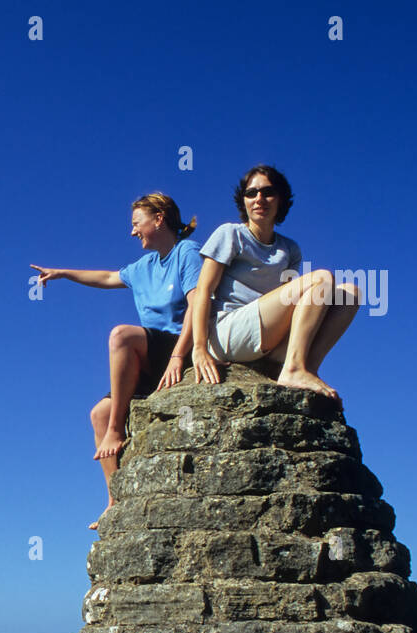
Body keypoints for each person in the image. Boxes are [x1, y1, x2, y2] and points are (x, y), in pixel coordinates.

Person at [31, 193, 201, 527]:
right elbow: (108, 278)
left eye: (136, 223)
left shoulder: (187, 253)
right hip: (151, 354)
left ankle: (115, 431)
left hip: (179, 345)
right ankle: (116, 498)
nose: (132, 231)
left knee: (121, 335)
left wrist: (181, 355)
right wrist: (63, 273)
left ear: (159, 218)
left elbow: (199, 306)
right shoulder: (143, 268)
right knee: (98, 412)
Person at [188, 165, 360, 401]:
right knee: (322, 278)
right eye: (251, 193)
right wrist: (198, 348)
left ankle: (304, 367)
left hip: (265, 336)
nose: (259, 199)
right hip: (228, 332)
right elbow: (203, 292)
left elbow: (296, 302)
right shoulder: (230, 234)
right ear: (244, 200)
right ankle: (294, 368)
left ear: (280, 200)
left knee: (350, 293)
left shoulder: (289, 249)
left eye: (267, 192)